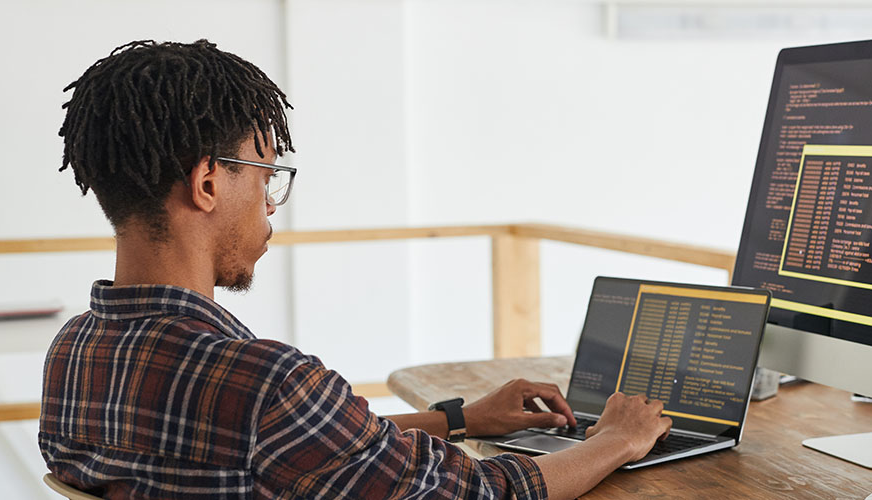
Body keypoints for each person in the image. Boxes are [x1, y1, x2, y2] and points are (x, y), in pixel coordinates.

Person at [40, 39, 672, 499]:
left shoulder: (73, 353)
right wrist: (616, 438)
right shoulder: (267, 383)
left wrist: (461, 419)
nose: (269, 204)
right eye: (266, 177)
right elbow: (483, 492)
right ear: (208, 182)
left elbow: (303, 448)